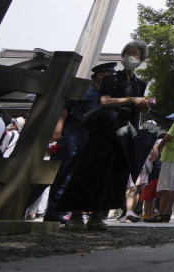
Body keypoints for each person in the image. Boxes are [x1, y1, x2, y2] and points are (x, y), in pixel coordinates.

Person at [59, 41, 150, 231]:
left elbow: (136, 111)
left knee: (114, 175)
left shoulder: (140, 84)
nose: (131, 57)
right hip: (105, 129)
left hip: (124, 132)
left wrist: (137, 120)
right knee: (91, 170)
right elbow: (104, 101)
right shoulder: (111, 78)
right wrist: (131, 99)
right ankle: (76, 214)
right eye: (128, 52)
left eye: (135, 54)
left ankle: (97, 215)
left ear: (141, 60)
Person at [43, 62, 114, 222]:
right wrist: (58, 130)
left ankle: (55, 212)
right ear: (100, 74)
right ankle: (24, 205)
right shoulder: (84, 89)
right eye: (110, 75)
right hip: (72, 131)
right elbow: (65, 108)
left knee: (70, 176)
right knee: (55, 173)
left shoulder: (104, 95)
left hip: (88, 135)